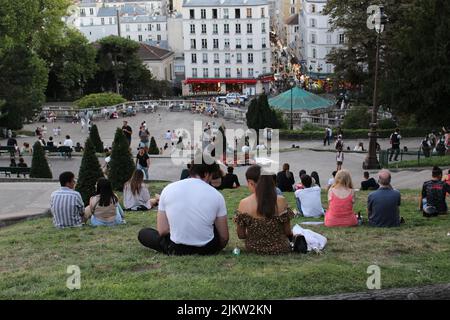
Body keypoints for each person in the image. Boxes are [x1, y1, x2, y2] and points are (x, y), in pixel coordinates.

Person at [138, 159, 229, 255]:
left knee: (144, 233)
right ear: (206, 174)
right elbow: (224, 237)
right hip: (207, 248)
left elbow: (162, 230)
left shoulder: (168, 189)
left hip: (177, 248)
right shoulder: (216, 195)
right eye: (211, 176)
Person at [234, 165, 304, 255]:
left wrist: (257, 235)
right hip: (280, 248)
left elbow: (241, 235)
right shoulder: (281, 200)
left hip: (254, 248)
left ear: (250, 182)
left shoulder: (243, 203)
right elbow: (287, 232)